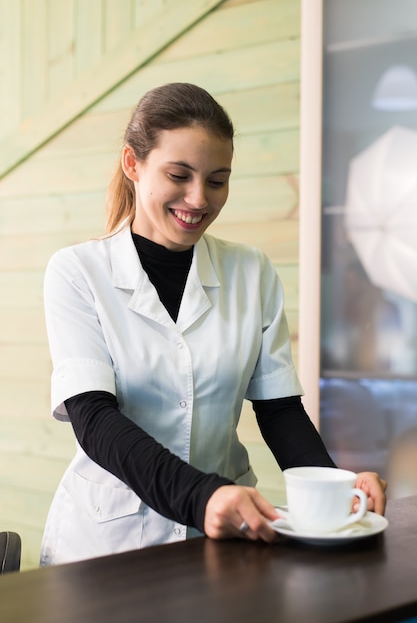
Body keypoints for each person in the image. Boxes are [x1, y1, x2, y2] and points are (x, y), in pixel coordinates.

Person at [40, 82, 386, 565]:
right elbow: (93, 419)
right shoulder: (78, 272)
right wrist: (201, 498)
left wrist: (337, 490)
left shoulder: (251, 271)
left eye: (218, 180)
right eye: (179, 175)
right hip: (109, 544)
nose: (199, 199)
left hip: (224, 541)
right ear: (132, 164)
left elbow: (280, 411)